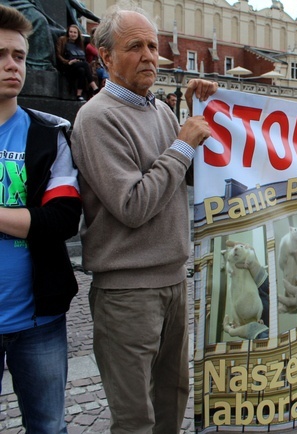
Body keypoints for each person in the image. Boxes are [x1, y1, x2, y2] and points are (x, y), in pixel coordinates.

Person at [70, 4, 216, 433]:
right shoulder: (96, 118)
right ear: (105, 58)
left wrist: (195, 112)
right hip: (128, 293)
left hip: (174, 280)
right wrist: (183, 145)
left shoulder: (159, 110)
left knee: (173, 402)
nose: (150, 55)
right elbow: (133, 205)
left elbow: (180, 176)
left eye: (153, 45)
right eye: (135, 47)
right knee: (136, 419)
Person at [0, 5, 82, 432]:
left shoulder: (50, 133)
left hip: (39, 319)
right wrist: (23, 218)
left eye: (18, 55)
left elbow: (63, 220)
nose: (12, 65)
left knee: (49, 427)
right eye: (0, 55)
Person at [56, 23, 99, 101]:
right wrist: (68, 62)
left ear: (78, 34)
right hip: (67, 65)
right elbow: (59, 55)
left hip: (78, 66)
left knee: (82, 70)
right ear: (68, 32)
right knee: (85, 64)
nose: (73, 34)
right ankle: (94, 86)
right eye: (71, 32)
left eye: (75, 32)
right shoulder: (62, 40)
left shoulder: (79, 43)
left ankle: (79, 95)